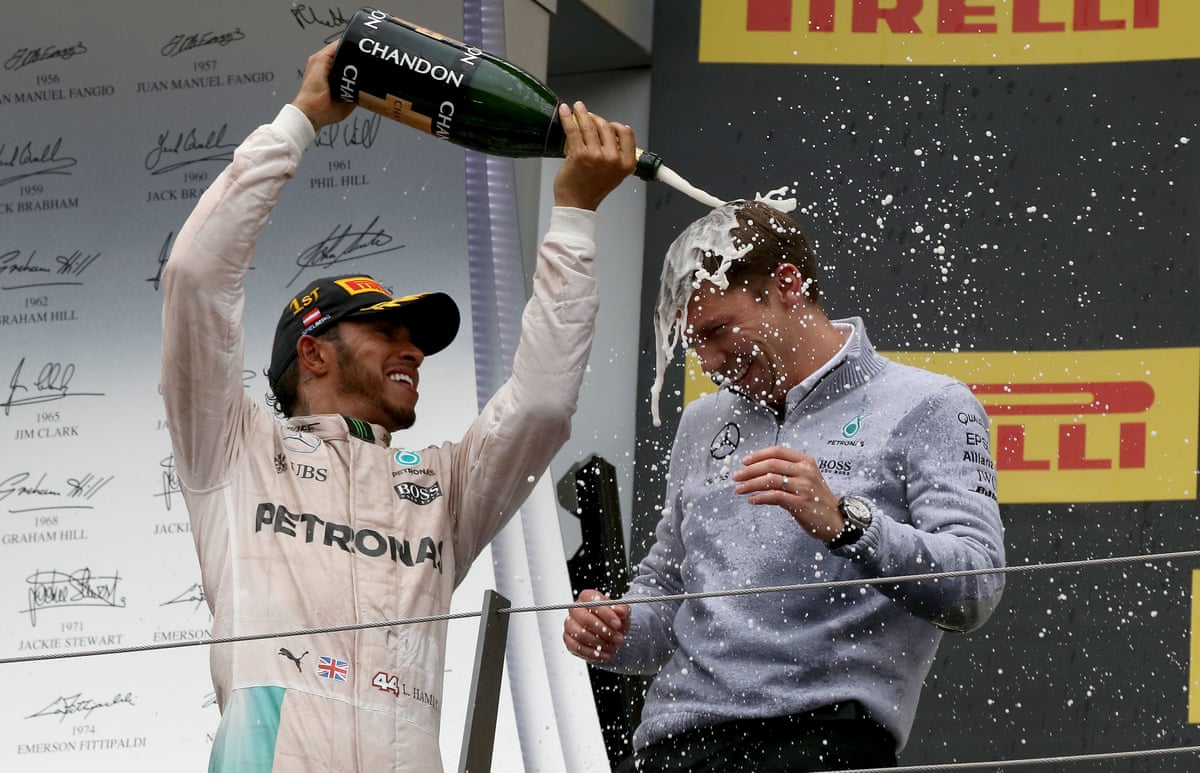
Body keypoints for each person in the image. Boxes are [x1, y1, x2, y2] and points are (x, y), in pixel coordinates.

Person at [161, 41, 636, 772]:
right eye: (385, 330)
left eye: (416, 339)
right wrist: (298, 123)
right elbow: (196, 277)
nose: (412, 350)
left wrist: (573, 215)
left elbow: (541, 406)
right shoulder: (233, 449)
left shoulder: (442, 487)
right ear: (313, 353)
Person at [563, 198, 1006, 771]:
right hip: (674, 746)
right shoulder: (703, 421)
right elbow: (667, 589)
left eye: (718, 331)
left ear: (788, 285)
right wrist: (616, 629)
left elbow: (975, 586)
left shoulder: (930, 404)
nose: (712, 362)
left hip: (821, 738)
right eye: (695, 345)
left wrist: (849, 525)